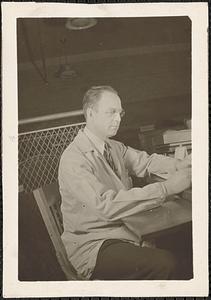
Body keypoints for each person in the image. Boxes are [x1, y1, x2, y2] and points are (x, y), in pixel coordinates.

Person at [58, 85, 191, 280]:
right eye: (111, 112)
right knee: (166, 262)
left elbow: (145, 162)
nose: (118, 119)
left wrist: (179, 164)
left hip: (124, 230)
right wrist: (166, 188)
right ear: (90, 113)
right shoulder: (74, 159)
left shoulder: (112, 146)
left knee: (186, 243)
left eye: (120, 113)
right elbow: (106, 205)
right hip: (95, 244)